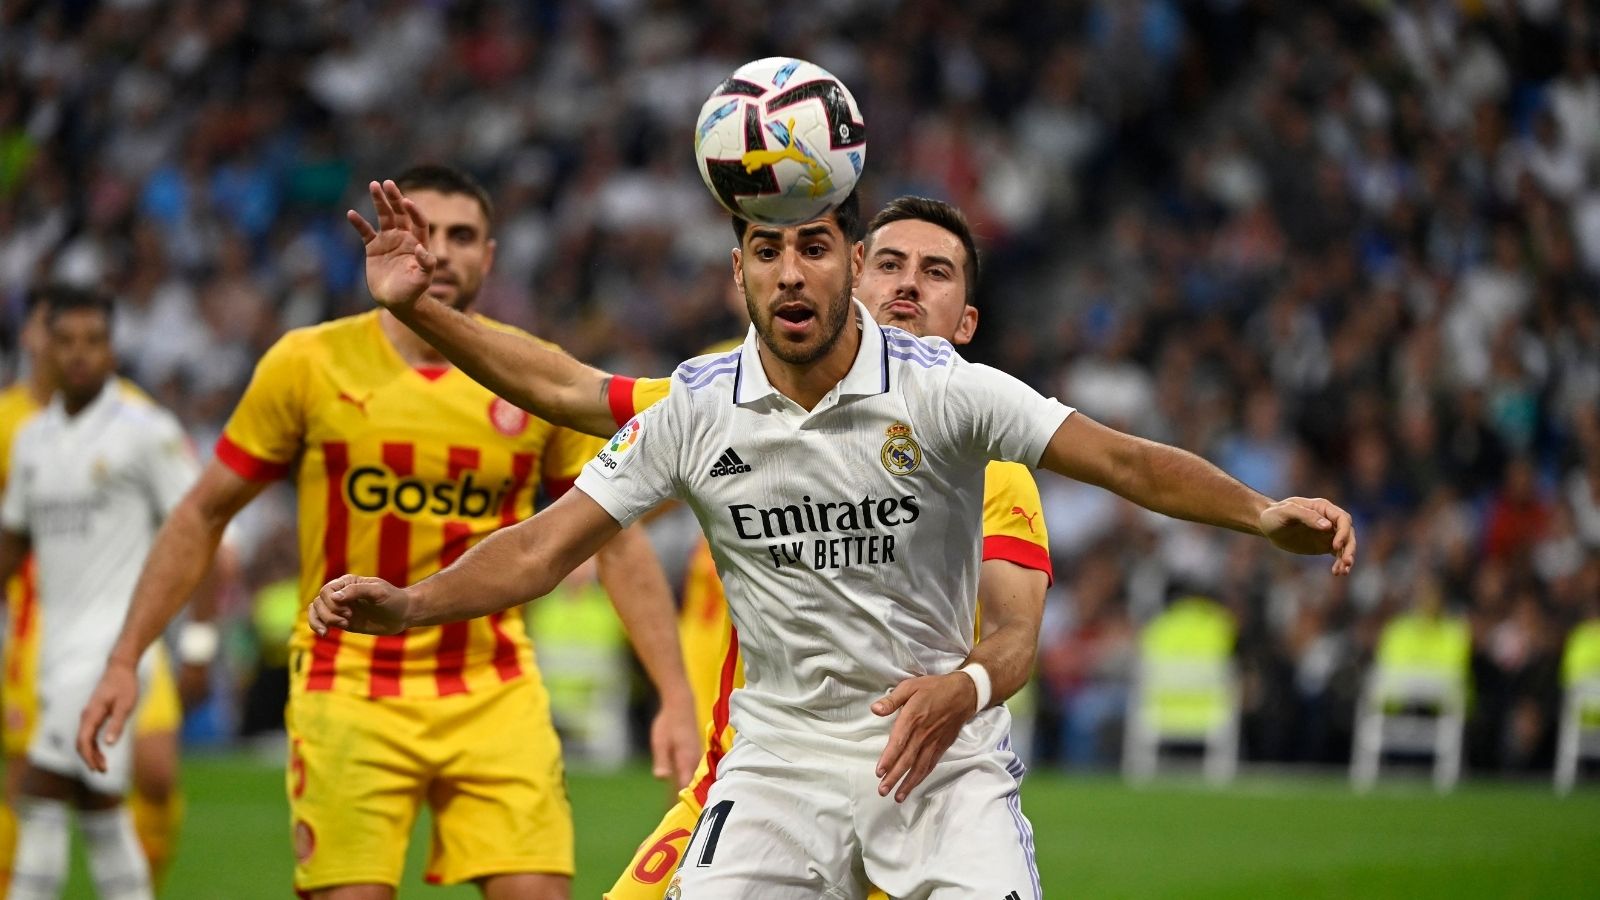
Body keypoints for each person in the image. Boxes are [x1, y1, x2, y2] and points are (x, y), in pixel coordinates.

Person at [309, 182, 1356, 898]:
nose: (898, 284)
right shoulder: (700, 400)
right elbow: (559, 454)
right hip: (772, 762)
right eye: (771, 249)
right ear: (743, 272)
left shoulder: (961, 410)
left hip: (938, 756)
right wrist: (409, 596)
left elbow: (1123, 468)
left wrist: (1261, 513)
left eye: (925, 271)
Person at [346, 190, 1055, 899]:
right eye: (892, 263)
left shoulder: (993, 463)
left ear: (967, 320)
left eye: (936, 273)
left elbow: (1016, 635)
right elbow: (568, 391)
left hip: (919, 778)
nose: (907, 284)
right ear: (854, 274)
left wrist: (967, 686)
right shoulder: (736, 399)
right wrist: (418, 310)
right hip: (758, 774)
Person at [76, 165, 699, 900]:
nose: (436, 251)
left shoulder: (533, 377)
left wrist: (674, 694)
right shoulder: (308, 363)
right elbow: (202, 512)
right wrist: (126, 657)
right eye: (422, 229)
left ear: (490, 257)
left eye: (461, 236)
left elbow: (616, 539)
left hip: (489, 681)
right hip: (348, 683)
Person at [0, 286, 203, 900]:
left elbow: (202, 530)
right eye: (66, 342)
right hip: (45, 644)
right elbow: (12, 541)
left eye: (94, 342)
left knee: (39, 787)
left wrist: (196, 643)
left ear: (114, 348)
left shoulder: (146, 431)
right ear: (42, 346)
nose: (79, 355)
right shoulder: (30, 438)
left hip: (120, 647)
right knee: (97, 800)